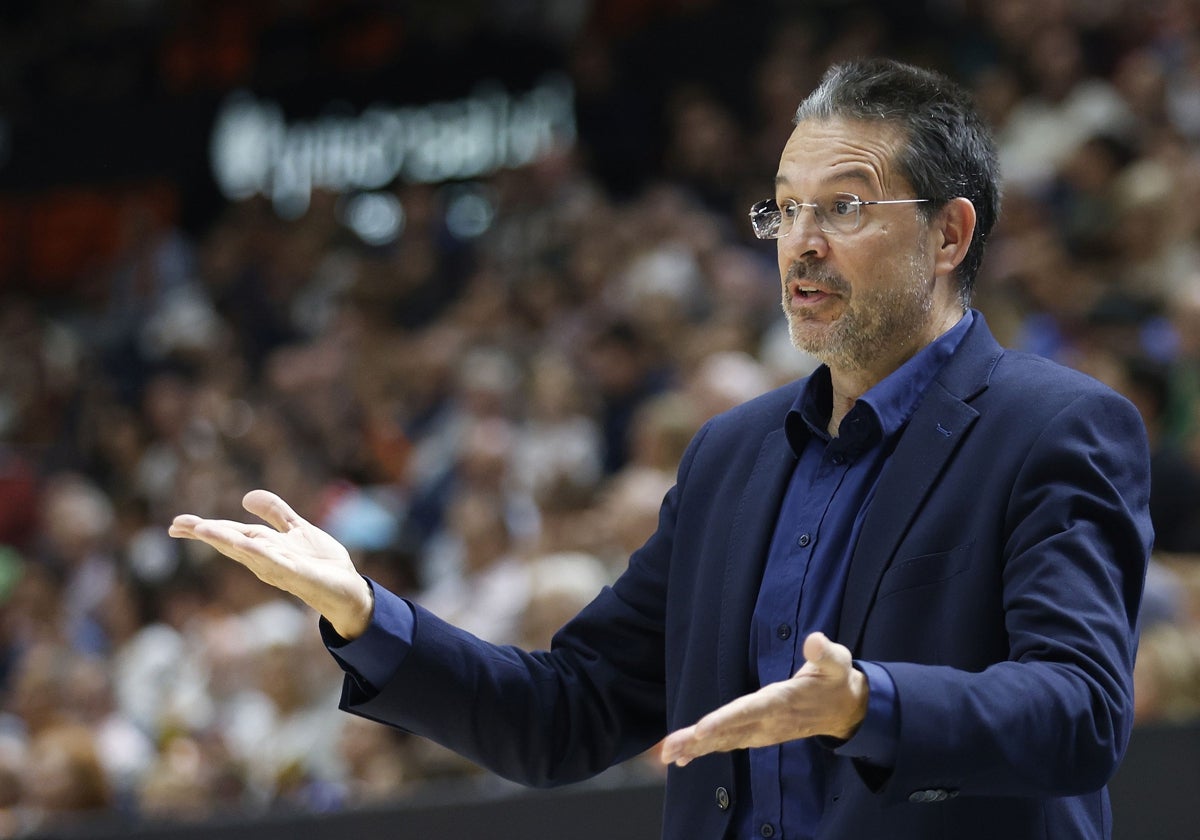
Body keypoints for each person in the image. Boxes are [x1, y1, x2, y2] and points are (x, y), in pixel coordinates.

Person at [169, 58, 1153, 840]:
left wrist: (870, 702)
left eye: (844, 207)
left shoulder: (1056, 428)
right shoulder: (731, 457)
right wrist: (365, 612)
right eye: (785, 206)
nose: (801, 242)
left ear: (950, 236)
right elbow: (568, 713)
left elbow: (1079, 712)